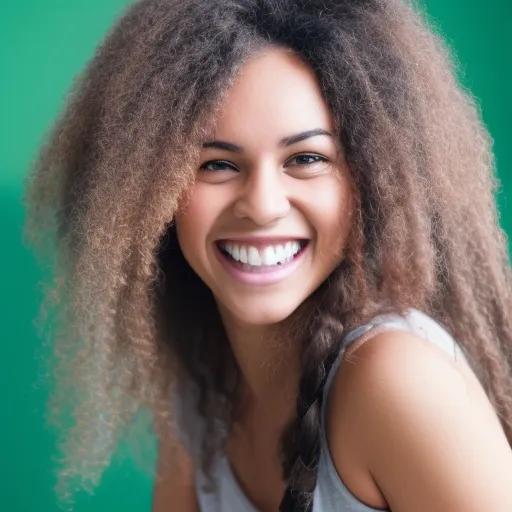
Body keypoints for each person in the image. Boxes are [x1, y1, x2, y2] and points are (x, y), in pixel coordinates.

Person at [23, 0, 512, 511]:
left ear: (373, 179)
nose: (262, 206)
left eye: (306, 159)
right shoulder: (199, 388)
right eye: (215, 164)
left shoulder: (394, 379)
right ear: (149, 190)